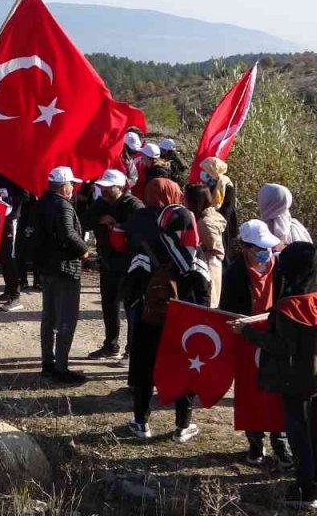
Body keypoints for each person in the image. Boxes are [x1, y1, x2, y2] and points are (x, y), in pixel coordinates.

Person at [238, 242, 317, 509]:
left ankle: (305, 491)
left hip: (295, 378)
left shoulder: (288, 306)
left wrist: (246, 332)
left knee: (299, 433)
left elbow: (280, 345)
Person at [124, 202, 209, 443]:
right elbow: (204, 292)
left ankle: (141, 422)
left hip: (151, 319)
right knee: (185, 369)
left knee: (144, 369)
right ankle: (182, 426)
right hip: (184, 323)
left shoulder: (148, 247)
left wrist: (136, 308)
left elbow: (132, 284)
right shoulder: (195, 252)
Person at [219, 219, 292, 468]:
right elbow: (227, 310)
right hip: (247, 338)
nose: (266, 253)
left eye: (268, 247)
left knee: (278, 391)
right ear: (245, 247)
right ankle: (255, 443)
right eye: (260, 248)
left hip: (275, 335)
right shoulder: (235, 272)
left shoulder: (280, 266)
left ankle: (280, 444)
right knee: (250, 391)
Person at [34, 166, 89, 384]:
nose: (74, 188)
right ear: (64, 187)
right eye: (71, 184)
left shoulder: (40, 203)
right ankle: (61, 367)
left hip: (45, 267)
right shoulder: (63, 206)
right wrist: (84, 249)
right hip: (65, 267)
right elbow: (68, 233)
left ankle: (48, 362)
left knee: (48, 316)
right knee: (66, 317)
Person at [83, 169, 142, 358]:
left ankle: (131, 350)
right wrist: (100, 219)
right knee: (109, 305)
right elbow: (84, 220)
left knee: (131, 308)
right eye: (102, 187)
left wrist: (121, 227)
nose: (104, 191)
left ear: (120, 187)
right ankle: (110, 344)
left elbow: (142, 231)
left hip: (129, 265)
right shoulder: (101, 203)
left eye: (109, 188)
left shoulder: (133, 205)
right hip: (108, 263)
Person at [0, 171, 29, 312]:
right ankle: (8, 290)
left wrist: (8, 201)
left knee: (9, 256)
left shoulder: (14, 172)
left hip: (11, 218)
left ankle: (15, 296)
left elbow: (25, 195)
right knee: (2, 256)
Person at [186, 184, 227, 306]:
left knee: (208, 303)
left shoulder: (205, 222)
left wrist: (201, 250)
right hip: (207, 264)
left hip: (209, 267)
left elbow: (216, 249)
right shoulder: (208, 217)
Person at [199, 157, 240, 257]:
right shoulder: (208, 184)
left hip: (223, 223)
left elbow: (227, 209)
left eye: (205, 170)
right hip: (210, 220)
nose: (202, 172)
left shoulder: (226, 186)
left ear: (213, 171)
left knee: (222, 248)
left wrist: (215, 221)